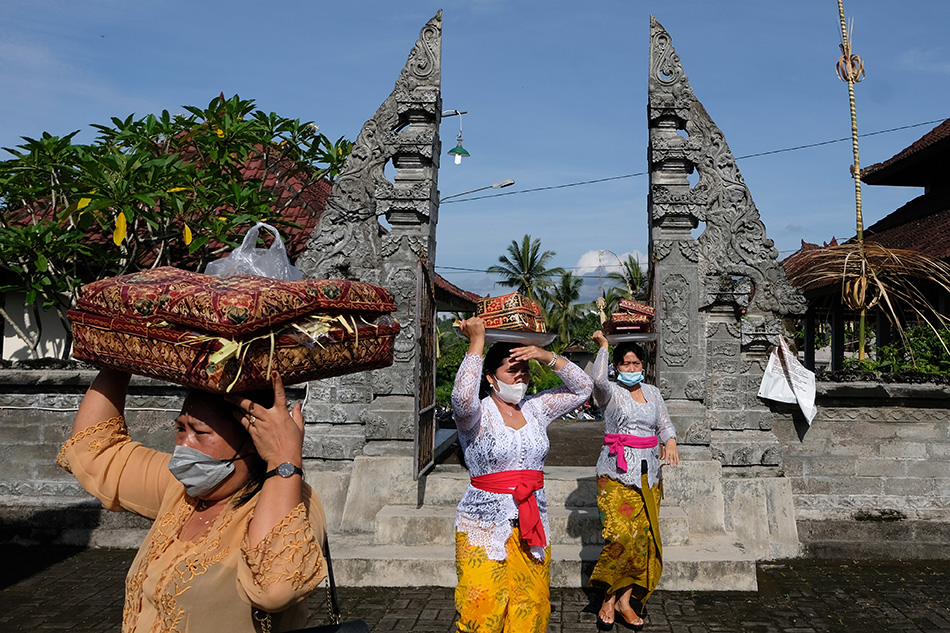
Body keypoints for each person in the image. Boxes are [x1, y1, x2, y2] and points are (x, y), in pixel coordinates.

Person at [57, 368, 327, 632]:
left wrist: (285, 459)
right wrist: (119, 362)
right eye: (180, 429)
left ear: (254, 439)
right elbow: (94, 452)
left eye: (199, 432)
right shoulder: (182, 491)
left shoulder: (297, 503)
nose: (184, 445)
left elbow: (275, 589)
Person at [451, 316, 593, 633]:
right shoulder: (476, 414)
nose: (520, 378)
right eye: (511, 370)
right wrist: (477, 342)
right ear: (490, 377)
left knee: (531, 606)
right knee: (481, 609)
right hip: (483, 525)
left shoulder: (536, 408)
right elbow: (461, 398)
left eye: (524, 371)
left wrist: (546, 356)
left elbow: (584, 388)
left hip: (532, 522)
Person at [589, 330, 678, 629]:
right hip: (615, 474)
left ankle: (624, 601)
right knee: (621, 538)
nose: (631, 368)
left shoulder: (652, 393)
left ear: (643, 365)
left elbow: (664, 423)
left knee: (642, 542)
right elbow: (598, 380)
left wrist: (671, 441)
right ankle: (608, 597)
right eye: (625, 363)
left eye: (636, 363)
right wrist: (604, 347)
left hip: (649, 476)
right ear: (617, 367)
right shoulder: (610, 392)